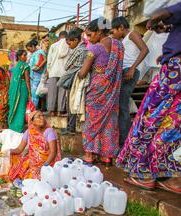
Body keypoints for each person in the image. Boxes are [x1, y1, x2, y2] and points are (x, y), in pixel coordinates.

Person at [117, 3, 181, 194]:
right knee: (175, 123)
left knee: (153, 117)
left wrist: (153, 21)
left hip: (175, 70)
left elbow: (160, 12)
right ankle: (175, 179)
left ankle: (145, 173)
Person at [78, 18, 124, 166]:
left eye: (90, 35)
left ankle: (90, 154)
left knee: (92, 121)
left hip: (96, 90)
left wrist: (78, 74)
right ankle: (107, 156)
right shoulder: (119, 46)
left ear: (99, 31)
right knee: (110, 123)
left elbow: (83, 72)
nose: (90, 39)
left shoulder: (95, 49)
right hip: (113, 90)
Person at [110, 16, 149, 147]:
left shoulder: (132, 34)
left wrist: (133, 67)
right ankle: (123, 139)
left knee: (123, 106)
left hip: (130, 72)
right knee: (121, 106)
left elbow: (145, 49)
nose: (113, 34)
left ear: (121, 27)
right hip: (125, 72)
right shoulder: (124, 40)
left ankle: (124, 141)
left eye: (113, 31)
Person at [8, 111, 61, 181]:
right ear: (32, 121)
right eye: (39, 116)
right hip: (34, 163)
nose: (42, 118)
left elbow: (53, 152)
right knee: (16, 165)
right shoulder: (29, 132)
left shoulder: (49, 132)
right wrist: (7, 151)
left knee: (38, 178)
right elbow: (19, 149)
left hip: (47, 163)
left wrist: (44, 166)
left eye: (42, 116)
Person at [59, 28, 88, 135]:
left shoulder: (77, 50)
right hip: (82, 79)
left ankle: (70, 128)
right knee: (77, 103)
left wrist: (73, 65)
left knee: (70, 103)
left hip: (73, 79)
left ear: (75, 40)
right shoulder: (86, 49)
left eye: (69, 42)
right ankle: (71, 127)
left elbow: (66, 66)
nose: (68, 45)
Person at [8, 49, 32, 133]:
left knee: (17, 106)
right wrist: (30, 92)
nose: (25, 57)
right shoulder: (25, 66)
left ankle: (13, 126)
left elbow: (12, 80)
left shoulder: (14, 66)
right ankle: (18, 128)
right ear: (19, 56)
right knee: (21, 107)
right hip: (23, 89)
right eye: (24, 55)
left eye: (26, 55)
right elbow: (27, 80)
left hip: (14, 90)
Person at [46, 31, 70, 116]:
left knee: (52, 92)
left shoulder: (53, 46)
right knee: (62, 92)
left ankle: (51, 111)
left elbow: (49, 61)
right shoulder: (69, 46)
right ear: (66, 37)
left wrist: (48, 71)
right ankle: (60, 111)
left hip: (53, 71)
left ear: (59, 37)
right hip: (64, 72)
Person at [26, 40, 47, 110]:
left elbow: (45, 60)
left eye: (29, 49)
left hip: (38, 76)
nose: (29, 51)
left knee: (36, 94)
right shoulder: (33, 54)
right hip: (33, 76)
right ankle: (35, 108)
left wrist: (38, 67)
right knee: (36, 93)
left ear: (33, 46)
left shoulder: (40, 52)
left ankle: (33, 109)